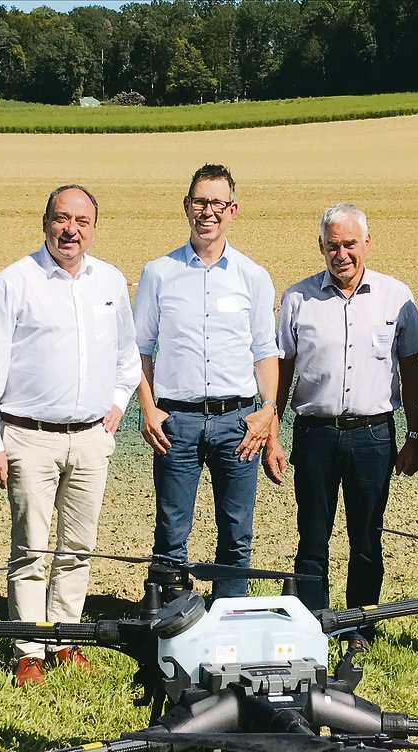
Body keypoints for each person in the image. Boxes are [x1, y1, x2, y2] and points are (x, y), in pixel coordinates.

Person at [0, 185, 140, 687]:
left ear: (94, 227)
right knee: (31, 550)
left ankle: (64, 639)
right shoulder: (14, 283)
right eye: (62, 219)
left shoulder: (109, 281)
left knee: (78, 548)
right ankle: (28, 649)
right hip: (29, 438)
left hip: (90, 439)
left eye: (82, 221)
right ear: (45, 222)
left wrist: (117, 403)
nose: (71, 230)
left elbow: (127, 356)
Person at [263, 203, 418, 641]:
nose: (342, 254)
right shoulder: (298, 299)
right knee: (312, 538)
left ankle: (360, 627)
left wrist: (415, 436)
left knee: (367, 538)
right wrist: (272, 434)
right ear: (321, 246)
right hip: (315, 436)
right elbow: (282, 371)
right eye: (332, 246)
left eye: (350, 244)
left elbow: (412, 372)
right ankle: (312, 628)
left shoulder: (396, 297)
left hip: (373, 437)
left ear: (366, 243)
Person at [133, 163, 279, 599]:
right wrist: (148, 408)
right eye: (200, 202)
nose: (208, 212)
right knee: (170, 533)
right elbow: (139, 348)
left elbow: (264, 351)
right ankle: (170, 618)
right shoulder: (158, 273)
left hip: (238, 424)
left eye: (217, 203)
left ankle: (227, 617)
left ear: (233, 210)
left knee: (236, 534)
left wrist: (268, 411)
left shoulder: (253, 276)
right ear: (186, 206)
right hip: (176, 423)